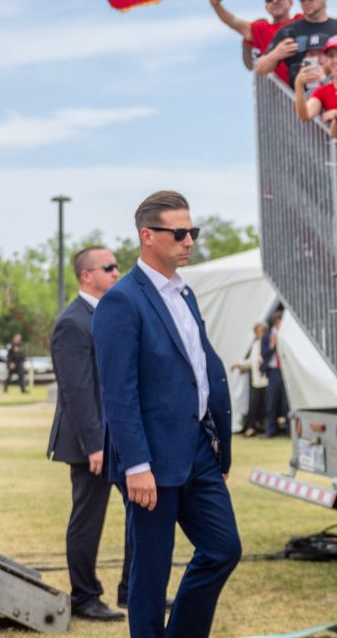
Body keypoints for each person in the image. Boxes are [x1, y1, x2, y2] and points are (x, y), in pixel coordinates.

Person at [95, 191, 240, 638]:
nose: (189, 241)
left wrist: (218, 443)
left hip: (198, 449)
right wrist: (136, 465)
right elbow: (118, 393)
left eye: (191, 232)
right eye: (178, 233)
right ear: (147, 236)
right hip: (150, 461)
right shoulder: (122, 300)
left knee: (222, 549)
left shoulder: (185, 292)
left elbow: (199, 367)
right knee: (151, 573)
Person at [48, 246, 128, 623]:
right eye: (109, 267)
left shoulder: (108, 314)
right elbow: (76, 390)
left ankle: (135, 589)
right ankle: (84, 597)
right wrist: (95, 444)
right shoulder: (72, 322)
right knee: (88, 519)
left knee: (145, 511)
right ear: (86, 276)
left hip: (121, 439)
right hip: (91, 446)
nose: (117, 272)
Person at [259, 307, 287, 438]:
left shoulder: (286, 335)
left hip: (286, 371)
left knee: (286, 402)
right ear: (277, 321)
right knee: (272, 402)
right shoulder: (267, 336)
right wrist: (272, 346)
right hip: (273, 371)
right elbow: (264, 354)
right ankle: (271, 430)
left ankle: (288, 430)